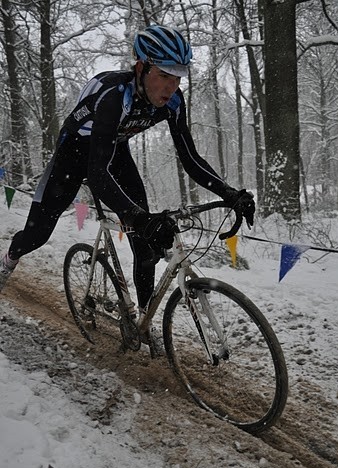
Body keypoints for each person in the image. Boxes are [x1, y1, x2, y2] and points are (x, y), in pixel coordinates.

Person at [0, 25, 255, 319]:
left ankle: (144, 320)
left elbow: (190, 157)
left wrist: (230, 193)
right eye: (163, 75)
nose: (170, 87)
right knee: (38, 234)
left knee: (145, 247)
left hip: (113, 152)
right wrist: (139, 218)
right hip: (74, 156)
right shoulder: (113, 96)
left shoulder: (173, 101)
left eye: (177, 77)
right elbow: (96, 174)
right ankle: (10, 258)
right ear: (141, 67)